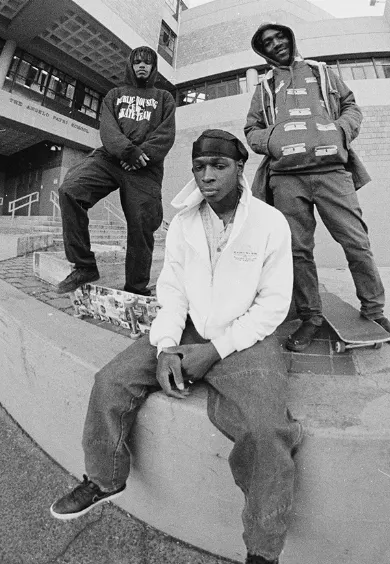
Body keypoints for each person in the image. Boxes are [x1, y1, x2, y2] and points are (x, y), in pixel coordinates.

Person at [50, 130, 302, 564]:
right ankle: (105, 478)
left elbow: (274, 305)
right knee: (110, 381)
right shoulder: (185, 222)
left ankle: (262, 550)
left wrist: (216, 350)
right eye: (200, 167)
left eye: (218, 166)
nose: (207, 175)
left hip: (246, 338)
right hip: (185, 330)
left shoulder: (268, 222)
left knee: (265, 429)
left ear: (239, 169)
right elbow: (172, 292)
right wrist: (167, 346)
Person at [244, 23, 390, 352]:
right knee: (297, 250)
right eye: (268, 42)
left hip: (332, 171)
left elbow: (351, 106)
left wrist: (339, 131)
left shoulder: (321, 72)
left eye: (280, 37)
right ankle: (311, 317)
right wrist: (272, 140)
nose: (276, 44)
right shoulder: (263, 87)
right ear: (263, 51)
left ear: (290, 39)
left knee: (356, 243)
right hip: (286, 177)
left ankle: (375, 313)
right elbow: (251, 129)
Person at [56, 45, 176, 296]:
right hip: (111, 158)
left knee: (142, 223)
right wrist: (126, 151)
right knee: (71, 189)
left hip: (146, 166)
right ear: (130, 66)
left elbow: (165, 134)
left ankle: (136, 288)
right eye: (137, 62)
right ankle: (84, 266)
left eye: (147, 62)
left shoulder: (164, 98)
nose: (142, 65)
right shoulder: (115, 94)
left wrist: (140, 155)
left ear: (154, 67)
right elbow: (108, 129)